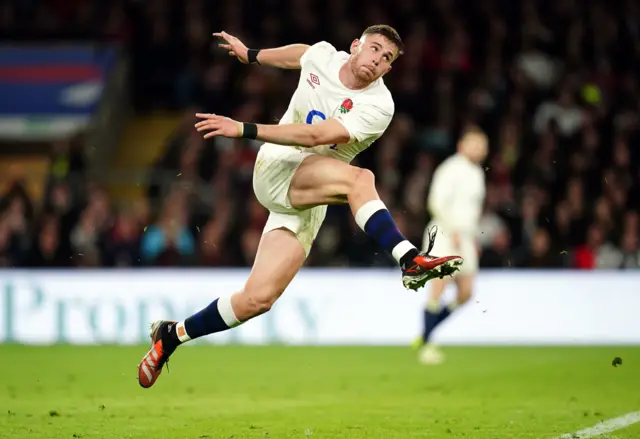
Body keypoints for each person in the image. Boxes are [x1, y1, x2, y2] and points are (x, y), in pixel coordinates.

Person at [138, 25, 463, 388]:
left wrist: (243, 128)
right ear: (355, 46)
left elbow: (316, 136)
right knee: (361, 179)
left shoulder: (379, 105)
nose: (377, 60)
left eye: (387, 59)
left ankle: (171, 336)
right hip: (277, 165)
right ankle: (408, 258)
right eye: (373, 49)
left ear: (389, 70)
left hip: (309, 194)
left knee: (257, 299)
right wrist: (251, 55)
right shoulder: (324, 54)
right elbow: (301, 54)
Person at [416, 127, 488, 365]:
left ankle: (428, 329)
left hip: (465, 236)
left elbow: (472, 212)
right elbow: (435, 202)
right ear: (461, 145)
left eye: (481, 146)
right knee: (439, 285)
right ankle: (428, 344)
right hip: (445, 233)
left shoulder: (477, 173)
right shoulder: (450, 169)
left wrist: (472, 237)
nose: (477, 149)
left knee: (466, 293)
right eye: (473, 144)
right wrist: (453, 229)